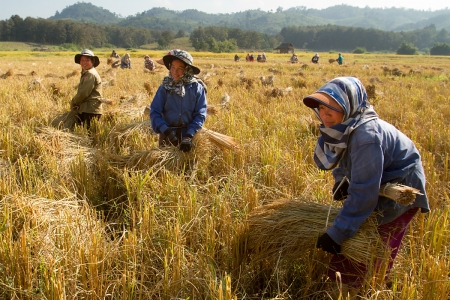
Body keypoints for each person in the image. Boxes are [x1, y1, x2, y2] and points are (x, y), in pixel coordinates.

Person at [302, 77, 429, 297]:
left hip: (402, 190)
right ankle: (348, 284)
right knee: (357, 238)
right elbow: (343, 161)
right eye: (321, 108)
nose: (325, 114)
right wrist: (341, 181)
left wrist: (337, 233)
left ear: (349, 105)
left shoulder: (365, 136)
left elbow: (364, 194)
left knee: (374, 247)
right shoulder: (345, 127)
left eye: (333, 107)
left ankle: (363, 289)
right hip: (379, 181)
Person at [150, 49, 207, 152]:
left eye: (180, 68)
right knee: (167, 167)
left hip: (190, 138)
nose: (175, 72)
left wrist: (189, 135)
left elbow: (200, 114)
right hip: (167, 138)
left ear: (187, 70)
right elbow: (155, 112)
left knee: (188, 166)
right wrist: (167, 131)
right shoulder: (165, 88)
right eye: (172, 67)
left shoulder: (197, 88)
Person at [70, 49, 103, 129]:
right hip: (87, 109)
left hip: (90, 110)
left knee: (87, 135)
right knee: (85, 134)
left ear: (92, 62)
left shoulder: (90, 74)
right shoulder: (87, 73)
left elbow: (83, 93)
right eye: (82, 60)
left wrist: (73, 102)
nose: (84, 62)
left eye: (87, 60)